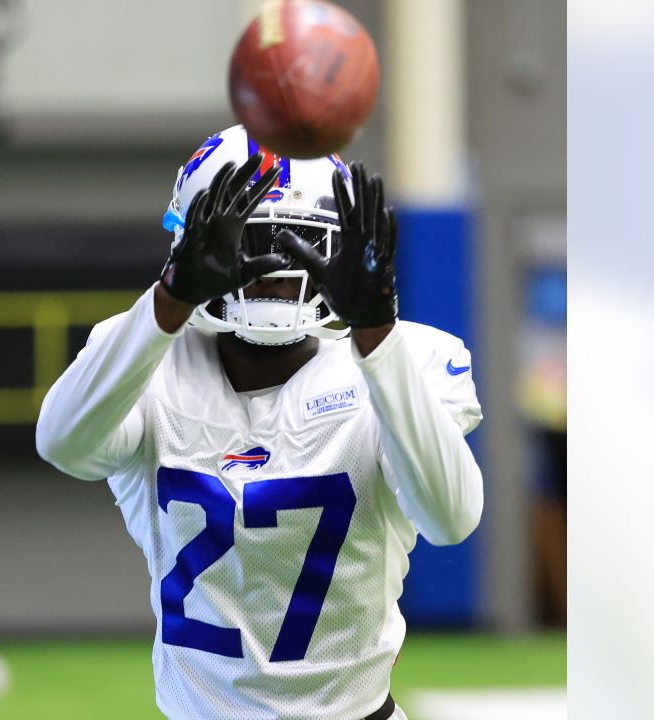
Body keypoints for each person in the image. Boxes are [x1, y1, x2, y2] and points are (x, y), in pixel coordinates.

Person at [35, 125, 484, 720]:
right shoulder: (147, 361)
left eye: (299, 242)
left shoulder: (404, 361)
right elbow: (64, 443)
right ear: (191, 245)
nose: (272, 265)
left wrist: (378, 337)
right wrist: (168, 300)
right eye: (250, 241)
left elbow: (450, 518)